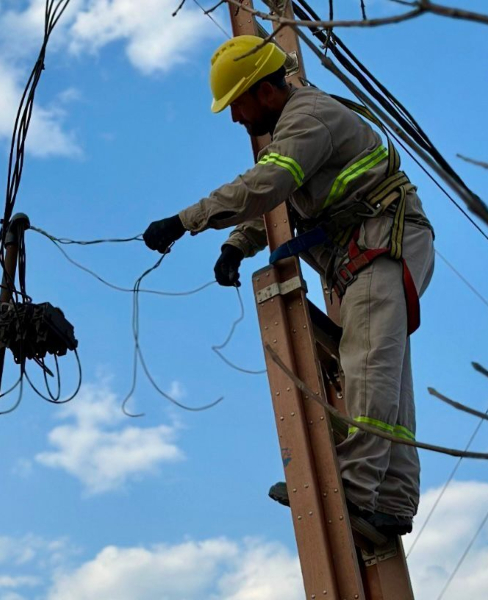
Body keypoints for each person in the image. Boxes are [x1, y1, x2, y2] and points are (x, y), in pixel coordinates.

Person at [142, 35, 435, 536]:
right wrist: (238, 243)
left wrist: (184, 220)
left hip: (380, 247)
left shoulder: (307, 116)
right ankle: (392, 503)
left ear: (264, 92)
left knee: (368, 369)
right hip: (377, 249)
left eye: (236, 105)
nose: (235, 119)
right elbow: (282, 196)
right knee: (387, 380)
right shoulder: (296, 128)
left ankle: (357, 489)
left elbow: (267, 185)